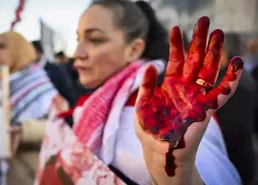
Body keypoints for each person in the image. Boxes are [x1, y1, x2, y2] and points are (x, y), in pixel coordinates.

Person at [30, 1, 241, 185]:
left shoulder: (164, 110)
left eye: (95, 40)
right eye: (78, 40)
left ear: (134, 49)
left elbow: (216, 174)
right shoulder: (95, 101)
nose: (77, 54)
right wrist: (22, 132)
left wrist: (180, 178)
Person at [0, 31, 61, 185]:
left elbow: (61, 129)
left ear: (19, 51)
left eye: (2, 47)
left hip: (21, 173)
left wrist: (26, 131)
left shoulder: (40, 87)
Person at [216, 33, 256, 184]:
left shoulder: (233, 85)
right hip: (239, 156)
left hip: (232, 159)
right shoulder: (241, 78)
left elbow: (232, 129)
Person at [31, 40, 83, 107]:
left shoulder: (54, 70)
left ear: (39, 52)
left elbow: (68, 93)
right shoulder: (32, 71)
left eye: (31, 52)